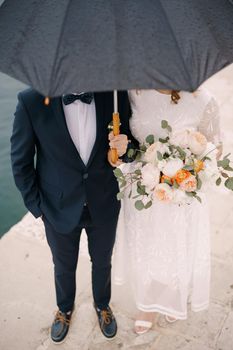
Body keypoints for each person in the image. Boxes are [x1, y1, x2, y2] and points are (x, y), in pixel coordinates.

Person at [10, 90, 136, 343]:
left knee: (102, 261)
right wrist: (38, 207)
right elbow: (20, 162)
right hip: (57, 207)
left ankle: (102, 305)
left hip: (104, 201)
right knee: (63, 264)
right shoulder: (31, 101)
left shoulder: (113, 93)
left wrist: (126, 148)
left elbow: (133, 148)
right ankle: (64, 309)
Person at [112, 89, 222, 334]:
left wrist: (185, 172)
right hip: (144, 186)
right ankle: (149, 304)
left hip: (181, 193)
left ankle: (174, 294)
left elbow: (215, 150)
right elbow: (131, 143)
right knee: (147, 246)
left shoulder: (203, 101)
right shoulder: (133, 93)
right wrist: (120, 149)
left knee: (176, 244)